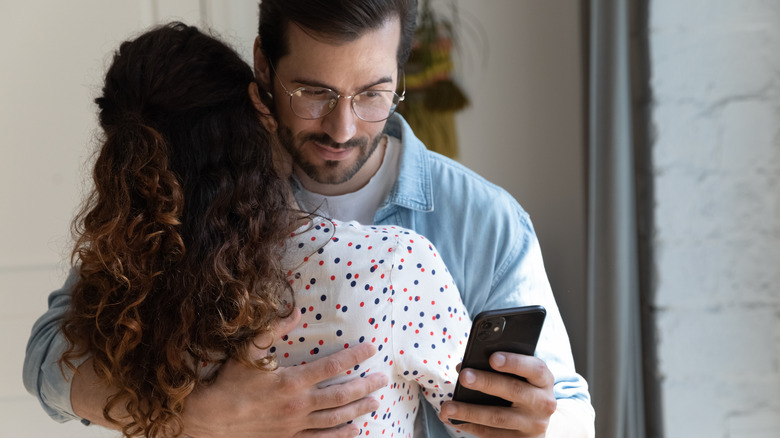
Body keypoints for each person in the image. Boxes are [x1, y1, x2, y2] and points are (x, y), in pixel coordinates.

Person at [25, 1, 595, 437]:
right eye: (313, 92)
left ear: (401, 76)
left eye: (373, 94)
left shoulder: (483, 221)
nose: (343, 128)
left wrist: (546, 424)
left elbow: (572, 411)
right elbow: (49, 360)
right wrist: (200, 417)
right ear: (263, 68)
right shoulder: (199, 189)